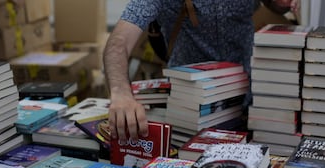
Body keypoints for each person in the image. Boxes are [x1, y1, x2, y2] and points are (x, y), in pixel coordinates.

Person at [103, 0, 299, 142]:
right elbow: (118, 41)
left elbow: (275, 5)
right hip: (191, 106)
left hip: (249, 96)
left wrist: (281, 4)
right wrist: (121, 94)